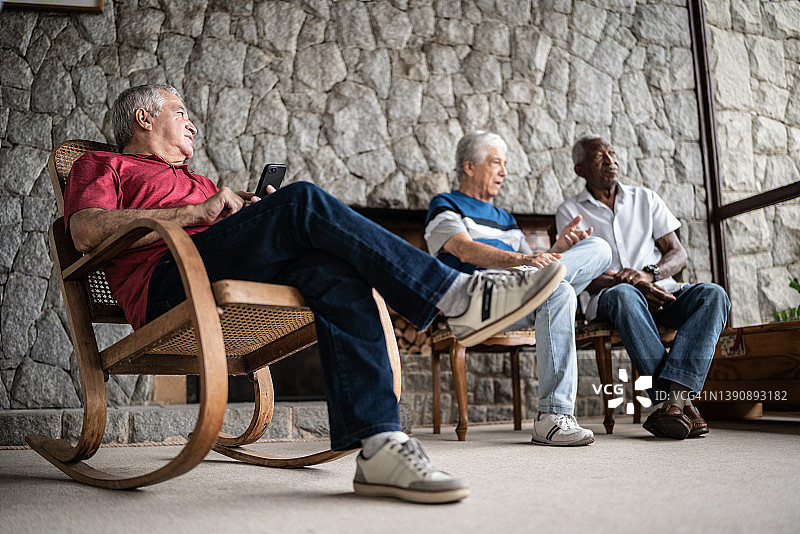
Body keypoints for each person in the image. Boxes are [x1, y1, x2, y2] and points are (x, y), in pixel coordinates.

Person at [64, 84, 566, 504]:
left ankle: (380, 445)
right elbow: (85, 230)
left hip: (213, 269)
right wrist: (195, 213)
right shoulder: (104, 164)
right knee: (303, 200)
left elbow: (218, 229)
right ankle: (454, 297)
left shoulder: (196, 178)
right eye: (181, 112)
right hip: (168, 287)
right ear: (144, 116)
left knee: (332, 271)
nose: (192, 123)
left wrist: (242, 209)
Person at [424, 131, 612, 446]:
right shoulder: (445, 204)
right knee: (557, 289)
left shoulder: (506, 219)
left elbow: (533, 267)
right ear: (470, 167)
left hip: (518, 298)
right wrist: (526, 261)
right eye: (496, 162)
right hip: (474, 301)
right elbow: (463, 249)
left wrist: (558, 247)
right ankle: (553, 415)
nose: (504, 172)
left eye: (505, 164)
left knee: (598, 250)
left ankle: (552, 418)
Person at [556, 135, 730, 440]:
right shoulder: (570, 211)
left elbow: (678, 254)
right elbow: (580, 271)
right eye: (599, 157)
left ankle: (672, 403)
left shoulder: (645, 198)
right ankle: (676, 401)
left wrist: (649, 276)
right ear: (580, 169)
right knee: (625, 295)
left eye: (612, 153)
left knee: (713, 295)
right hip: (610, 295)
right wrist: (633, 284)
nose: (610, 161)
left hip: (661, 288)